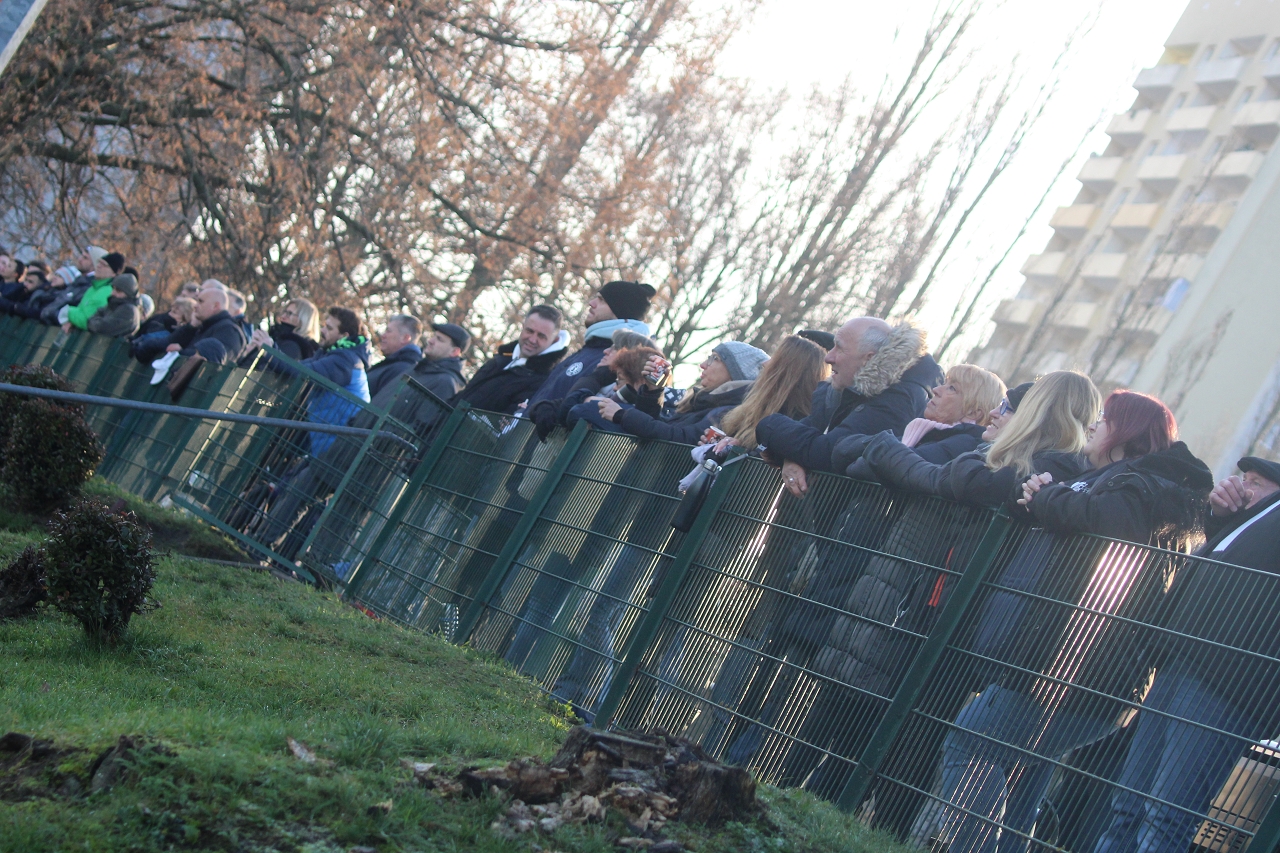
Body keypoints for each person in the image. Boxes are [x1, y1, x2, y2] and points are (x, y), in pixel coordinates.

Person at [936, 390, 1212, 853]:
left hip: (1076, 669)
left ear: (1128, 434)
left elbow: (1104, 519)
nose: (1095, 424)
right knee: (1022, 772)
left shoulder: (1147, 487)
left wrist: (1046, 497)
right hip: (1071, 668)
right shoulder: (1132, 482)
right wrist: (1043, 495)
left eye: (1107, 418)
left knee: (970, 739)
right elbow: (1077, 509)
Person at [1091, 456, 1280, 853]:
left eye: (1256, 483)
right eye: (1245, 479)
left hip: (1229, 686)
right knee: (1127, 807)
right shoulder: (1260, 516)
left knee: (1166, 818)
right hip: (1183, 661)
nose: (1244, 486)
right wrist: (1220, 518)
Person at [755, 318, 943, 497]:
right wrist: (791, 458)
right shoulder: (846, 389)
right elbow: (806, 436)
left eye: (840, 348)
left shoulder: (898, 400)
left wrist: (768, 424)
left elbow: (828, 453)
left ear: (869, 359)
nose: (828, 357)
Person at [525, 280, 656, 430]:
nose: (592, 303)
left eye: (601, 300)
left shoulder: (615, 361)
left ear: (620, 310)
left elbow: (586, 410)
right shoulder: (590, 349)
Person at [599, 341, 770, 444]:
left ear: (736, 373)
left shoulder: (730, 413)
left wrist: (622, 414)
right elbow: (655, 432)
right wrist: (653, 390)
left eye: (715, 359)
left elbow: (679, 440)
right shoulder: (703, 401)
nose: (703, 365)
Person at [455, 305, 567, 414]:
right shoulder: (500, 359)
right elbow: (463, 397)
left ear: (554, 341)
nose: (533, 340)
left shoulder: (542, 383)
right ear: (523, 327)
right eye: (530, 331)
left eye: (541, 336)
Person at [162, 287, 249, 364]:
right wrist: (191, 327)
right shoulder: (205, 325)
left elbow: (213, 360)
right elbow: (167, 342)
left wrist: (180, 352)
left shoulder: (229, 331)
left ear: (215, 306)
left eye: (200, 301)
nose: (195, 306)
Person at [59, 251, 123, 331]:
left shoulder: (107, 291)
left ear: (114, 273)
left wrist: (68, 311)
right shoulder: (93, 288)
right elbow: (80, 311)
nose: (98, 266)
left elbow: (88, 320)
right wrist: (71, 322)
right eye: (99, 262)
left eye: (104, 265)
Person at [361, 315, 423, 398]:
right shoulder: (395, 365)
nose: (383, 335)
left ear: (405, 338)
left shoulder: (402, 370)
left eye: (388, 331)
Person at [85, 273, 142, 337]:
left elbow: (103, 328)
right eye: (113, 289)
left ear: (128, 293)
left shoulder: (129, 310)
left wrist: (94, 323)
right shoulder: (114, 304)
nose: (113, 293)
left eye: (118, 290)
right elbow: (91, 320)